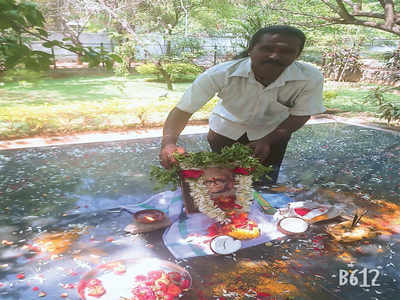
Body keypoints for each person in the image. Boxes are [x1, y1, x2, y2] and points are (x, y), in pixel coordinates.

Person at [159, 25, 326, 185]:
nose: (275, 56)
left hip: (274, 136)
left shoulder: (310, 77)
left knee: (265, 182)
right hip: (224, 133)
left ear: (297, 55)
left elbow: (302, 114)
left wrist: (267, 140)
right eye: (267, 49)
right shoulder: (221, 73)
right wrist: (168, 143)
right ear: (251, 49)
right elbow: (183, 110)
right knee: (221, 181)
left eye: (287, 51)